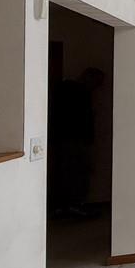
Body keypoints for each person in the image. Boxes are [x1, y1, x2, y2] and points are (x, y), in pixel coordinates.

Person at [51, 67, 104, 217]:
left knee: (73, 171)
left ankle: (68, 205)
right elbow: (81, 119)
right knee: (75, 172)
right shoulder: (75, 92)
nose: (97, 87)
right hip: (73, 139)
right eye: (97, 82)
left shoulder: (69, 90)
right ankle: (72, 205)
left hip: (70, 138)